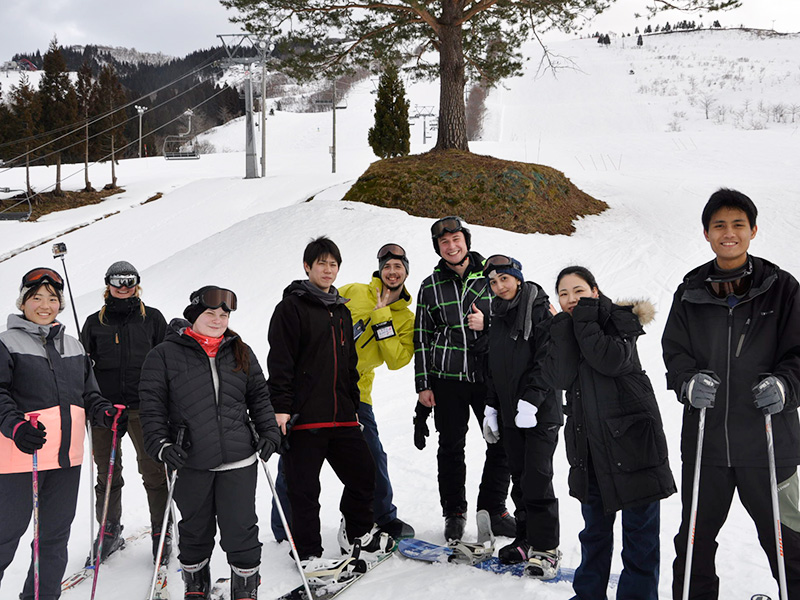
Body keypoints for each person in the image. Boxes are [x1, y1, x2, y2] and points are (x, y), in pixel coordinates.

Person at [662, 188, 800, 600]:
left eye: (738, 224)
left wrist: (785, 385)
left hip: (771, 443)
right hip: (708, 445)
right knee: (694, 544)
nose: (729, 233)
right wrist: (687, 383)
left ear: (753, 230)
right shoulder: (690, 292)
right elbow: (676, 354)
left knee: (788, 542)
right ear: (706, 233)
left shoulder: (783, 288)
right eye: (719, 225)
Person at [139, 286, 280, 600]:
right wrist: (160, 444)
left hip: (239, 459)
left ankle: (245, 590)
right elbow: (151, 407)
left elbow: (258, 396)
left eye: (223, 314)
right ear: (193, 316)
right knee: (195, 530)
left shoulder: (239, 350)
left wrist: (269, 431)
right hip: (191, 460)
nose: (218, 320)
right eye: (210, 313)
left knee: (241, 529)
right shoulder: (163, 355)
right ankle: (196, 588)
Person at [545, 265, 675, 600]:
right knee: (594, 536)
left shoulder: (620, 318)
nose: (571, 299)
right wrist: (562, 326)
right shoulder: (569, 327)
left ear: (595, 291)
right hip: (590, 449)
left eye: (578, 291)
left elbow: (611, 360)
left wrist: (585, 317)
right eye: (563, 294)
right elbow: (560, 377)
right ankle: (588, 595)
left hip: (633, 446)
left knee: (640, 538)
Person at [267, 236, 394, 567]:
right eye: (321, 263)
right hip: (305, 418)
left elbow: (350, 364)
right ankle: (307, 553)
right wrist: (281, 408)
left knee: (365, 476)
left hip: (342, 416)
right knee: (305, 492)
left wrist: (352, 402)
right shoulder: (290, 308)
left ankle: (356, 535)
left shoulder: (341, 310)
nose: (328, 269)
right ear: (307, 266)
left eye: (333, 264)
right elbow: (280, 362)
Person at [0, 267, 121, 600]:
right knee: (5, 536)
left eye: (52, 299)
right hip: (19, 457)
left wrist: (104, 412)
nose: (44, 305)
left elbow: (88, 394)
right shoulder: (6, 342)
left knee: (53, 538)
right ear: (23, 302)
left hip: (66, 457)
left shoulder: (73, 345)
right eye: (36, 298)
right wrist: (16, 427)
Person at [414, 216, 514, 541]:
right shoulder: (430, 285)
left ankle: (493, 509)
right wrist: (423, 385)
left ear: (466, 241)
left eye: (456, 239)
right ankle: (454, 512)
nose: (452, 246)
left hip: (488, 377)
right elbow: (422, 337)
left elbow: (512, 319)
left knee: (500, 442)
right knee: (451, 446)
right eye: (445, 242)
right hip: (447, 378)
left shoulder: (491, 277)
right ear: (438, 248)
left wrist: (488, 324)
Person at [80, 261, 168, 564]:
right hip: (105, 411)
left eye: (129, 281)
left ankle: (162, 529)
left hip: (145, 409)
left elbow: (167, 361)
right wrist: (93, 404)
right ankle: (109, 530)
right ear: (108, 284)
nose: (123, 287)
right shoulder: (94, 322)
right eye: (117, 281)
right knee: (106, 474)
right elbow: (82, 368)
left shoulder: (153, 319)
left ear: (137, 283)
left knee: (154, 472)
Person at [481, 255, 562, 578]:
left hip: (539, 412)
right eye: (493, 282)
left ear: (517, 278)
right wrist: (491, 405)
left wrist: (531, 401)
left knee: (538, 478)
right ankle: (525, 538)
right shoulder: (498, 315)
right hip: (509, 410)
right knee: (519, 476)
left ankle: (546, 548)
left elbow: (548, 360)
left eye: (504, 279)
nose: (499, 287)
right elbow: (493, 366)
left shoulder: (540, 311)